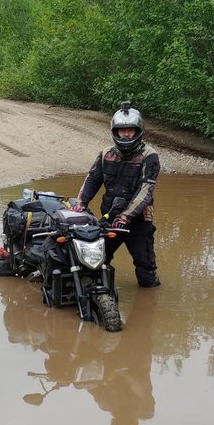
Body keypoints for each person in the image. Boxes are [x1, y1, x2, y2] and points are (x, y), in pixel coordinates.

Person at [71, 101, 161, 288]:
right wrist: (81, 203)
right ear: (115, 131)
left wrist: (125, 216)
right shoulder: (106, 154)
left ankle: (148, 307)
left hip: (138, 220)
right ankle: (95, 302)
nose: (126, 134)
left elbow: (146, 190)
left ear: (138, 131)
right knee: (95, 261)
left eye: (131, 130)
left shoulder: (149, 155)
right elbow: (93, 179)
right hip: (109, 217)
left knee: (146, 269)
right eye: (122, 130)